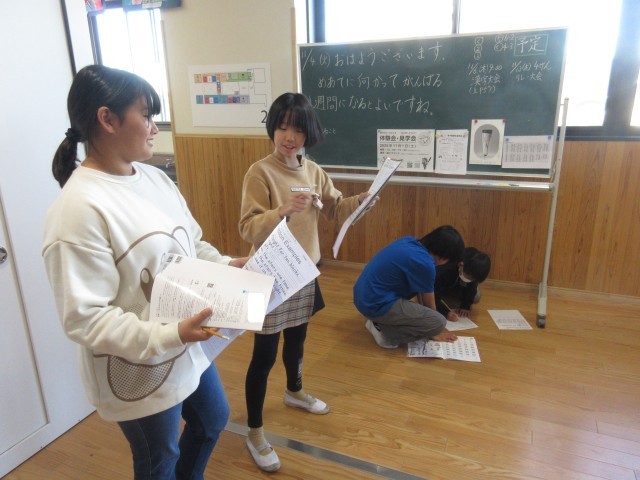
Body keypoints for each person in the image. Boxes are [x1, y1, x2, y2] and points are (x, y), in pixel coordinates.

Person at [42, 65, 247, 480]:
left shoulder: (154, 178)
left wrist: (226, 265)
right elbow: (85, 319)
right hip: (137, 369)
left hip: (185, 346)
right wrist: (171, 335)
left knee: (212, 421)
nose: (155, 128)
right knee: (159, 459)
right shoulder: (78, 209)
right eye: (147, 115)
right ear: (108, 119)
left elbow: (191, 242)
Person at [238, 92, 377, 472]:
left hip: (304, 272)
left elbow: (335, 209)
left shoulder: (313, 171)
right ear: (273, 128)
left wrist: (362, 201)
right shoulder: (260, 172)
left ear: (307, 134)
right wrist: (282, 211)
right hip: (270, 275)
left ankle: (294, 391)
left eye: (298, 130)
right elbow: (247, 227)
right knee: (264, 356)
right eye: (283, 127)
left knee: (298, 339)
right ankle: (254, 431)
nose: (289, 137)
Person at [353, 225, 464, 349]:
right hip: (374, 304)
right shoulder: (425, 263)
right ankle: (384, 333)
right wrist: (434, 331)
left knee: (428, 317)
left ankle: (378, 321)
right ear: (445, 257)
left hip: (363, 297)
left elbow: (421, 292)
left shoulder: (409, 241)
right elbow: (430, 307)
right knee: (438, 322)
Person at [435, 247, 491, 319]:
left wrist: (466, 306)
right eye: (470, 278)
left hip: (455, 287)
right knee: (433, 299)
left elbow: (472, 288)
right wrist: (445, 312)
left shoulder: (472, 269)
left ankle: (449, 302)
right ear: (461, 265)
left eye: (473, 279)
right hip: (441, 287)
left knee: (476, 296)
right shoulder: (446, 268)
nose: (471, 280)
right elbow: (433, 291)